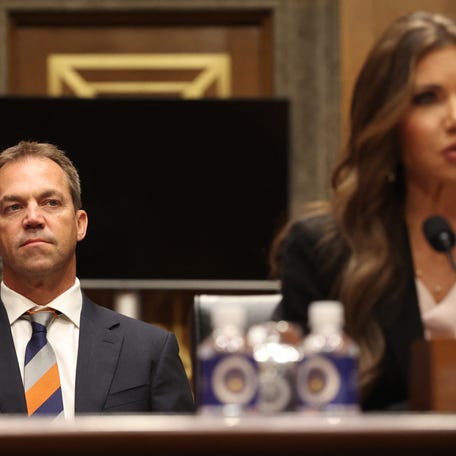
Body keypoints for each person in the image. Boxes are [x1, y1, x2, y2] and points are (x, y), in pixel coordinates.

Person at [270, 10, 456, 412]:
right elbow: (307, 413)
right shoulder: (326, 252)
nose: (455, 118)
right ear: (387, 120)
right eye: (428, 98)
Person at [0, 140, 195, 418]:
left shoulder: (149, 351)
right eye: (14, 207)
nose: (33, 218)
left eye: (51, 202)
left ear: (80, 224)